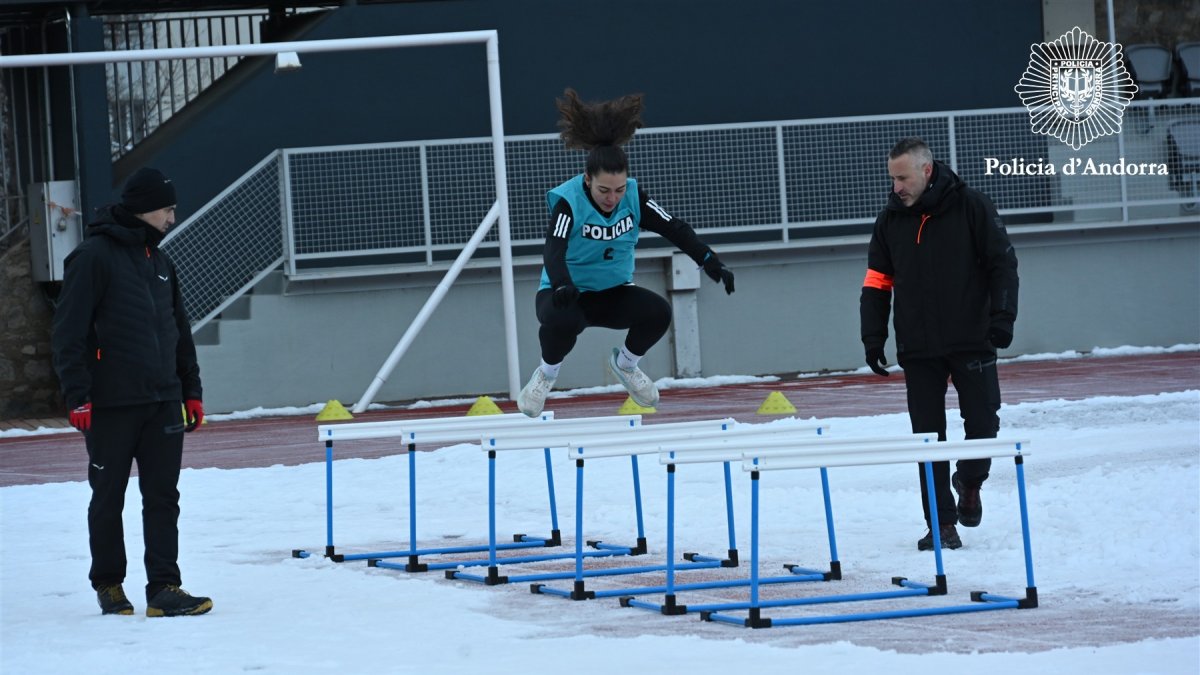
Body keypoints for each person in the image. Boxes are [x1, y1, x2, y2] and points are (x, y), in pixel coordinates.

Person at [51, 167, 212, 617]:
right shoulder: (93, 257)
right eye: (166, 210)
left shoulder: (160, 260)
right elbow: (68, 333)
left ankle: (164, 587)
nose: (172, 218)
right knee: (109, 496)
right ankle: (108, 584)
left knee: (163, 497)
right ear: (143, 210)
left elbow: (180, 331)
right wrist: (78, 393)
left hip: (163, 399)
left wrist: (190, 390)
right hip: (111, 404)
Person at [517, 89, 736, 417]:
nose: (612, 198)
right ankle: (545, 376)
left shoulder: (634, 197)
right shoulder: (568, 202)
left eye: (619, 190)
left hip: (613, 294)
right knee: (563, 321)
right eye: (604, 190)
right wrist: (562, 283)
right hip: (566, 294)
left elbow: (673, 227)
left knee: (659, 312)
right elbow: (554, 248)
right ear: (588, 180)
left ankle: (627, 366)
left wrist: (708, 260)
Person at [859, 137, 1019, 551]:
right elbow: (877, 282)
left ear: (926, 171)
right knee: (927, 438)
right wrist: (873, 336)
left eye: (903, 178)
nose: (896, 187)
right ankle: (941, 524)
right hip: (919, 345)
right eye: (892, 178)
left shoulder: (973, 207)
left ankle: (969, 481)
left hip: (973, 339)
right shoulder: (889, 221)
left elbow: (1003, 264)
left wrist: (1002, 319)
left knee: (983, 426)